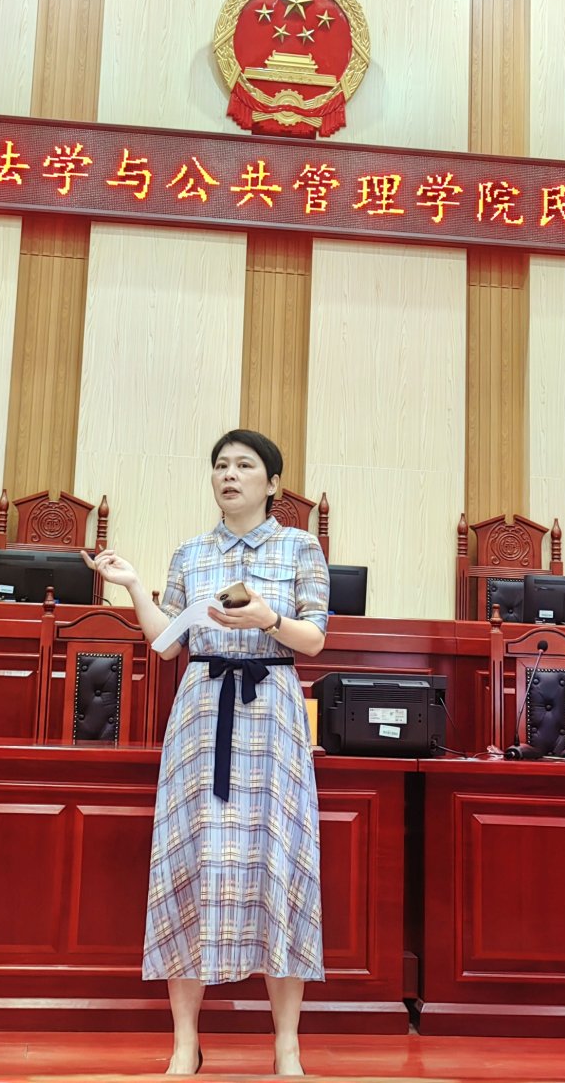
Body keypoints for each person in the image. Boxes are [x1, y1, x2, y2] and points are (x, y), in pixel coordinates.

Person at [83, 430, 328, 1077]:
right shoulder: (190, 552)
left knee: (280, 864)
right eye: (221, 465)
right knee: (188, 864)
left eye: (245, 465)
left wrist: (268, 620)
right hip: (200, 710)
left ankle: (287, 1045)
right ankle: (184, 1042)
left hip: (271, 709)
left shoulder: (300, 547)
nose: (230, 475)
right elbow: (167, 643)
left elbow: (314, 641)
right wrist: (134, 587)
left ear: (273, 483)